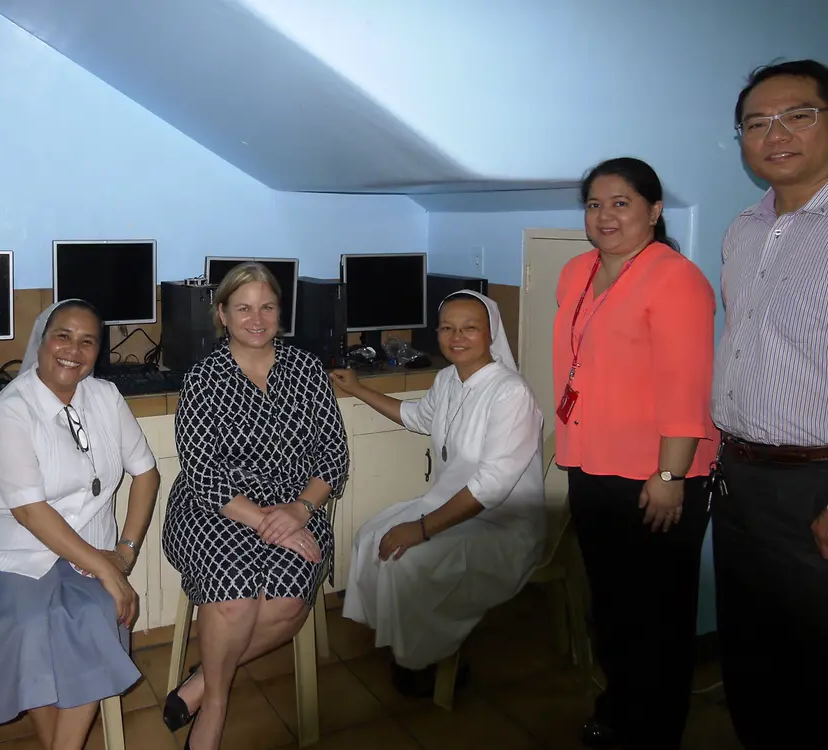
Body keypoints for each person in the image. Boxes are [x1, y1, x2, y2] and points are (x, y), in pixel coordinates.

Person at [553, 157, 719, 749]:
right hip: (591, 464)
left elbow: (686, 386)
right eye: (594, 204)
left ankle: (653, 732)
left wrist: (670, 473)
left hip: (659, 474)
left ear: (654, 211)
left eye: (621, 203)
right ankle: (620, 706)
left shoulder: (677, 280)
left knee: (659, 617)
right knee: (614, 606)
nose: (604, 216)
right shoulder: (576, 272)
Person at [0, 299, 160, 749]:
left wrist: (125, 551)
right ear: (42, 340)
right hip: (11, 554)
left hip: (88, 554)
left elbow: (147, 473)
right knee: (27, 627)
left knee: (97, 615)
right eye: (63, 335)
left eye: (88, 341)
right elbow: (30, 512)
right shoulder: (9, 412)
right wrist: (107, 570)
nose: (73, 349)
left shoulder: (105, 397)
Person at [162, 263, 348, 750]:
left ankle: (206, 680)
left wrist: (301, 511)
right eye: (243, 308)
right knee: (234, 594)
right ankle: (218, 706)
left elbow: (334, 456)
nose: (257, 318)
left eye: (267, 306)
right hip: (216, 507)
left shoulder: (306, 369)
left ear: (280, 312)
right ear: (222, 314)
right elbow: (202, 472)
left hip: (297, 505)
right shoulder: (203, 379)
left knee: (287, 601)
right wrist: (270, 519)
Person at [332, 290, 545, 697]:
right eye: (447, 328)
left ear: (491, 333)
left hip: (503, 524)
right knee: (370, 535)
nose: (457, 336)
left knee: (408, 559)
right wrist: (358, 388)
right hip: (450, 507)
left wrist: (423, 529)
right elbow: (415, 416)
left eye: (470, 328)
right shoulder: (448, 378)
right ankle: (408, 642)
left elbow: (491, 487)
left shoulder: (509, 393)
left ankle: (427, 659)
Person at [710, 59, 828, 750]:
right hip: (742, 477)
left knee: (816, 664)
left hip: (817, 482)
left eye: (798, 115)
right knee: (751, 654)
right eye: (756, 122)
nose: (774, 133)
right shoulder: (742, 230)